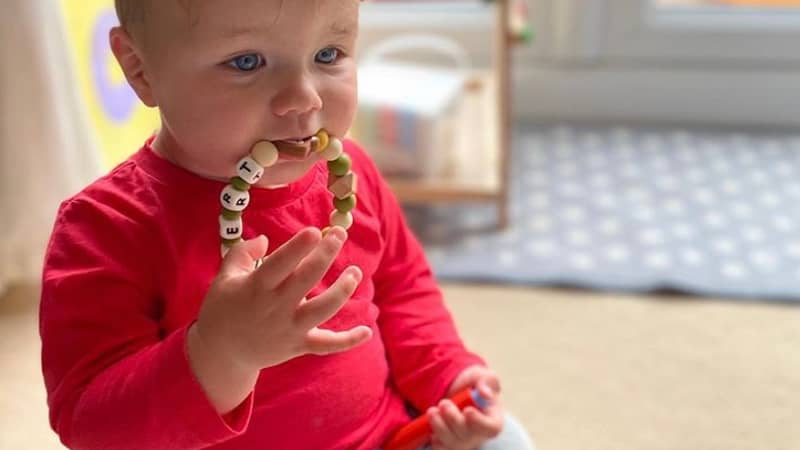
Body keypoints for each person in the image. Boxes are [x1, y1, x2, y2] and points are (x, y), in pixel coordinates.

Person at [40, 1, 535, 449]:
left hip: (387, 437)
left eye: (328, 54)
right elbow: (89, 425)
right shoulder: (104, 228)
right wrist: (221, 354)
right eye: (246, 62)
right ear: (139, 68)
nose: (304, 98)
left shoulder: (353, 175)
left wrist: (448, 373)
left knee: (504, 440)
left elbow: (403, 287)